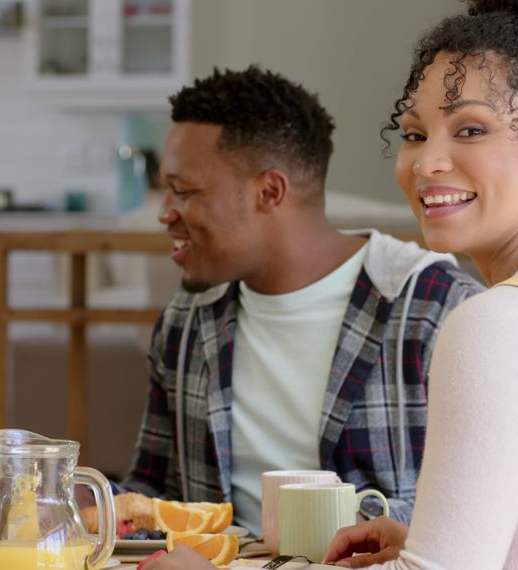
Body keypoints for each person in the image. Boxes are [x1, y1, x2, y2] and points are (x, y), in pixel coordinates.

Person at [149, 0, 518, 568]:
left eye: (471, 129)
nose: (426, 163)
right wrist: (420, 537)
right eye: (416, 134)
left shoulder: (499, 324)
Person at [120, 65, 484, 535]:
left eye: (184, 191)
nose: (164, 212)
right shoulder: (187, 319)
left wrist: (342, 526)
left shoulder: (437, 310)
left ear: (269, 192)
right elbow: (151, 490)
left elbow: (482, 512)